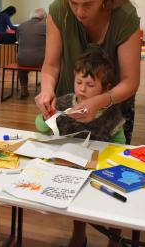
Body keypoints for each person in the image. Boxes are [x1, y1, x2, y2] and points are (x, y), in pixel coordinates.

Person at [35, 0, 140, 147]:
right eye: (73, 3)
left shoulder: (124, 16)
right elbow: (51, 65)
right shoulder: (59, 10)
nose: (80, 12)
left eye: (88, 4)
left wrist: (100, 101)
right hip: (69, 106)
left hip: (111, 110)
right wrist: (46, 90)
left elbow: (130, 81)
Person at [36, 50, 125, 247]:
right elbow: (41, 127)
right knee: (76, 203)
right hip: (71, 166)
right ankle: (78, 234)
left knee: (113, 202)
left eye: (90, 85)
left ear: (106, 88)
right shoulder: (65, 103)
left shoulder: (110, 113)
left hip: (101, 169)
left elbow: (120, 144)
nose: (83, 89)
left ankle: (114, 238)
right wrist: (46, 116)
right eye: (79, 82)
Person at [16, 8, 47, 98]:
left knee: (22, 68)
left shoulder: (21, 25)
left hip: (22, 60)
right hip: (41, 61)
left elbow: (18, 40)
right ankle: (47, 90)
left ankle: (23, 89)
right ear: (44, 17)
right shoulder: (46, 26)